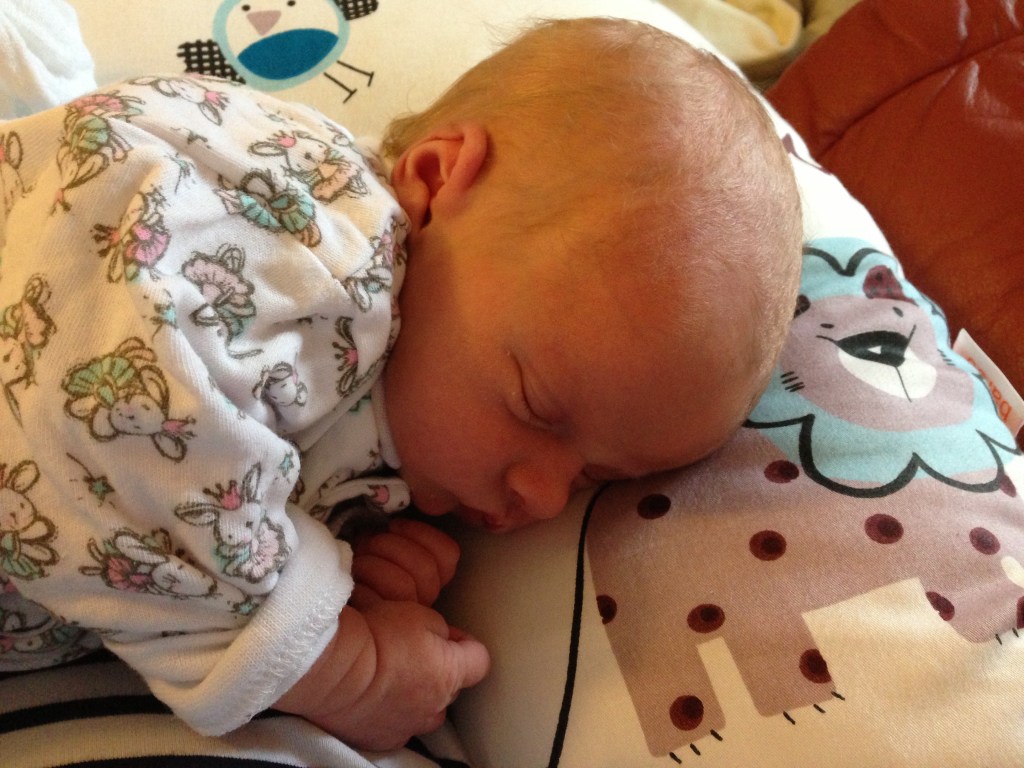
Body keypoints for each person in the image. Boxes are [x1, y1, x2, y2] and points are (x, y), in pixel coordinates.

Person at [0, 17, 801, 752]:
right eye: (536, 407)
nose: (544, 495)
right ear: (435, 179)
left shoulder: (399, 368)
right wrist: (337, 664)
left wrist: (344, 564)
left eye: (597, 475)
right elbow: (108, 395)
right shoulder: (316, 247)